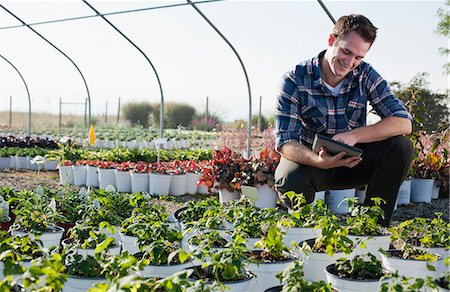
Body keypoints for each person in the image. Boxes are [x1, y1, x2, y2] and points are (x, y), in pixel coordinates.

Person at [274, 14, 413, 226]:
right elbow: (285, 142)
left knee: (401, 147)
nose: (350, 63)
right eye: (346, 51)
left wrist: (354, 136)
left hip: (353, 161)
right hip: (313, 162)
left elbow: (404, 122)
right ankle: (305, 230)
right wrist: (318, 161)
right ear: (331, 40)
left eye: (358, 57)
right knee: (288, 178)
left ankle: (373, 226)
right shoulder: (295, 78)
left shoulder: (365, 75)